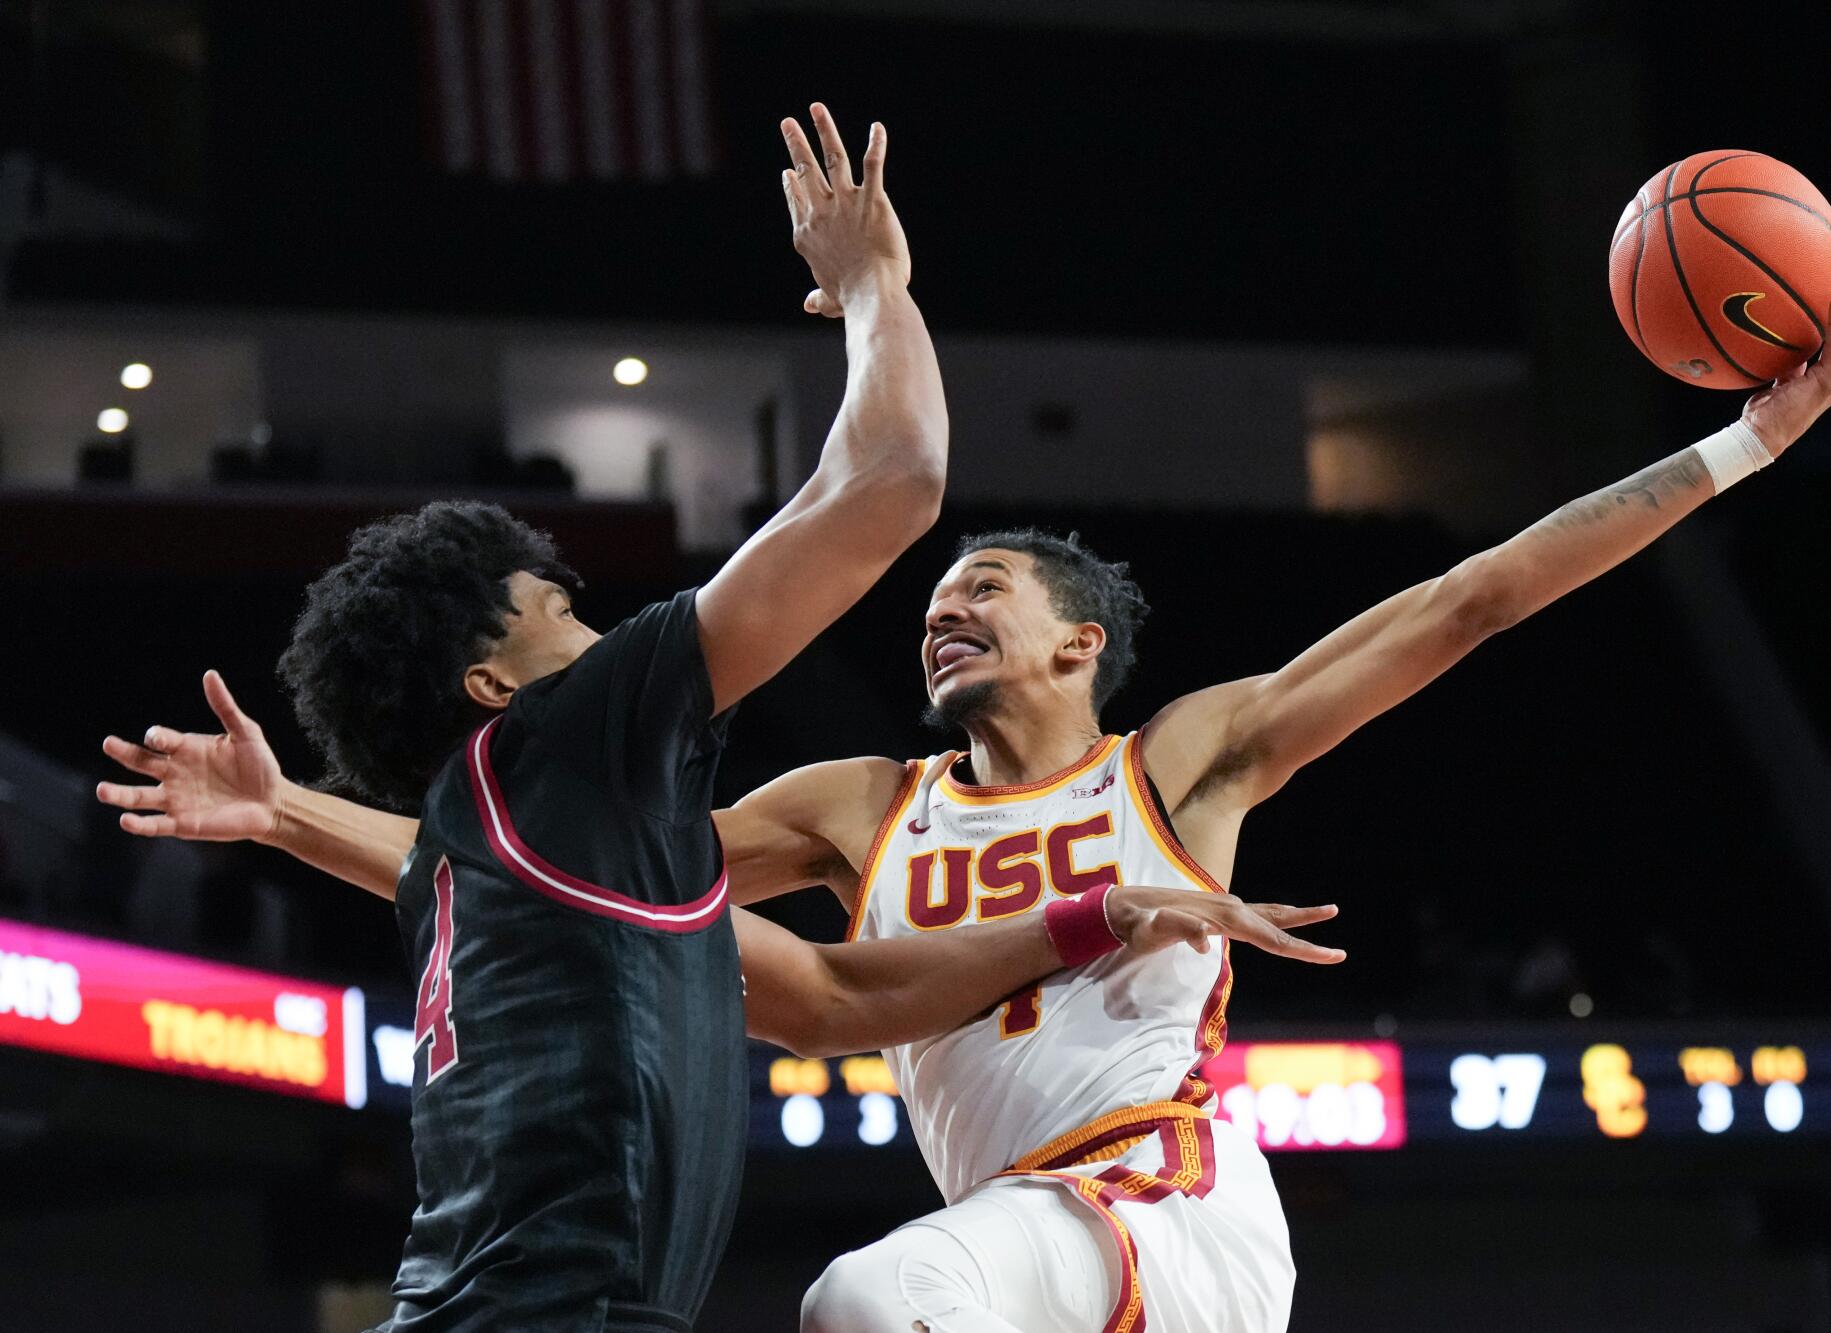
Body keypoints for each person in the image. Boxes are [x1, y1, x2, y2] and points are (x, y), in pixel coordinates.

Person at [112, 265, 1831, 1329]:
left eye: (991, 587)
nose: (945, 600)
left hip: (1172, 1203)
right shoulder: (856, 804)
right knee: (909, 1288)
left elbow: (1473, 593)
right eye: (936, 589)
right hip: (1025, 1257)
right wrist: (287, 816)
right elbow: (550, 883)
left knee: (869, 1295)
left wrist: (1738, 448)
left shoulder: (1187, 758)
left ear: (1080, 643)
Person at [95, 103, 1341, 1333]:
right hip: (552, 1313)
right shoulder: (575, 730)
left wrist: (280, 816)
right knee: (869, 1298)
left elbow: (831, 996)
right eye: (561, 612)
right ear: (493, 678)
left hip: (488, 1305)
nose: (598, 630)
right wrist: (871, 286)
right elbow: (894, 477)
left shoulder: (492, 846)